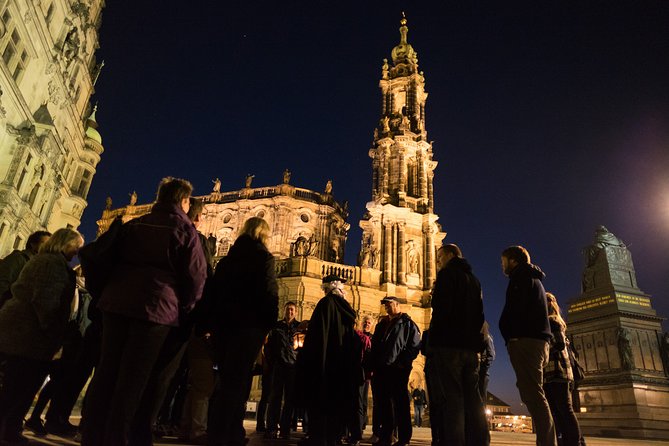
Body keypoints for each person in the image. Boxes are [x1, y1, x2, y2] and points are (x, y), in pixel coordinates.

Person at [81, 177, 207, 446]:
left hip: (115, 305)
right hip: (155, 310)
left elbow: (106, 259)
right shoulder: (185, 231)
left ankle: (91, 434)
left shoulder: (134, 224)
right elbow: (196, 279)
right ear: (184, 201)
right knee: (134, 377)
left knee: (107, 370)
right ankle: (118, 438)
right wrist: (183, 307)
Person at [0, 228, 83, 445]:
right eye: (76, 246)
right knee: (20, 386)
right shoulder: (52, 264)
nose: (77, 252)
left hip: (26, 334)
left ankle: (10, 428)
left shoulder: (50, 262)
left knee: (18, 385)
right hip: (29, 335)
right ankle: (7, 429)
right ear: (64, 243)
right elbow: (46, 302)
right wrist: (54, 334)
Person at [207, 217, 279, 446]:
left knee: (224, 380)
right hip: (249, 327)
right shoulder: (264, 258)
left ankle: (216, 431)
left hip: (224, 327)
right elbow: (270, 294)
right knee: (240, 381)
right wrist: (268, 324)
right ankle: (232, 432)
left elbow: (214, 292)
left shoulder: (227, 261)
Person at [428, 244, 489, 446]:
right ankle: (480, 441)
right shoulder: (474, 280)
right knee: (474, 399)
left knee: (453, 399)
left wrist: (436, 340)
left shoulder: (447, 275)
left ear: (450, 255)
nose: (438, 262)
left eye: (439, 257)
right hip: (471, 348)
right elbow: (480, 315)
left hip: (450, 344)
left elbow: (441, 309)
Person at [499, 245, 556, 446]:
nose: (502, 265)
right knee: (531, 392)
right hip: (533, 340)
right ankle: (546, 440)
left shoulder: (521, 278)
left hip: (526, 340)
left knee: (534, 394)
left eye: (503, 261)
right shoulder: (530, 278)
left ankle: (547, 442)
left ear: (513, 260)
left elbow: (517, 309)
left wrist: (512, 335)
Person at [297, 274, 359, 446]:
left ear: (326, 289)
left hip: (324, 363)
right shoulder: (346, 308)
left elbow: (317, 337)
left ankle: (318, 437)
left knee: (320, 401)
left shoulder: (325, 304)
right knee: (337, 402)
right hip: (342, 364)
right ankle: (335, 437)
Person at [370, 296, 421, 446]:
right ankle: (386, 436)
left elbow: (414, 346)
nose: (386, 307)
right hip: (381, 369)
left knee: (401, 404)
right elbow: (375, 346)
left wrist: (403, 363)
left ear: (398, 305)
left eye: (389, 304)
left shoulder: (408, 324)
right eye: (385, 305)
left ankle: (404, 438)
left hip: (398, 370)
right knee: (383, 405)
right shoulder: (382, 325)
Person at [544, 293, 582, 446]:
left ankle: (574, 442)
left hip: (558, 371)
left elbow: (558, 344)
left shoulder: (552, 321)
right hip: (553, 372)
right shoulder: (552, 321)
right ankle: (569, 441)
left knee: (564, 410)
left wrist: (543, 350)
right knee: (559, 410)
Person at [265, 301, 301, 439]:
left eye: (292, 310)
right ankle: (271, 428)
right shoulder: (277, 326)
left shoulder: (299, 327)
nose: (289, 312)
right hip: (279, 366)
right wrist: (271, 362)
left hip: (293, 367)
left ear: (296, 312)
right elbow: (269, 346)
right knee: (275, 398)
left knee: (289, 399)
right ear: (284, 311)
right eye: (288, 310)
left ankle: (285, 428)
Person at [0, 230, 51, 308]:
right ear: (33, 244)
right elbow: (3, 281)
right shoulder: (18, 258)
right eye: (44, 244)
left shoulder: (39, 266)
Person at [479, 321, 495, 402]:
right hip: (478, 370)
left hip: (483, 372)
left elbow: (491, 355)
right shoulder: (481, 337)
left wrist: (484, 368)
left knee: (481, 397)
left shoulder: (487, 337)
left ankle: (481, 414)